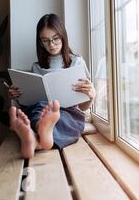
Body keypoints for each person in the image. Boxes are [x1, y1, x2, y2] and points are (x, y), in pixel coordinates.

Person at [8, 14, 96, 159]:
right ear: (40, 42)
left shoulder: (76, 62)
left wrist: (91, 96)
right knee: (40, 108)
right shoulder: (36, 67)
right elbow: (29, 99)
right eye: (45, 40)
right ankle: (41, 133)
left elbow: (84, 107)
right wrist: (16, 95)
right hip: (41, 109)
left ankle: (35, 139)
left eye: (55, 39)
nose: (51, 44)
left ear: (63, 36)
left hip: (68, 114)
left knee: (58, 117)